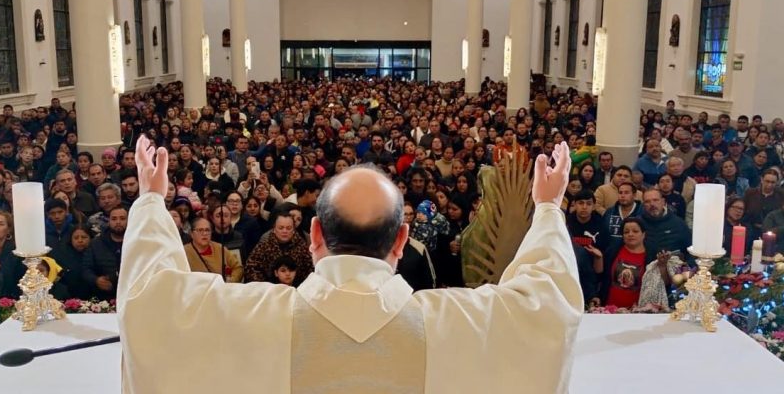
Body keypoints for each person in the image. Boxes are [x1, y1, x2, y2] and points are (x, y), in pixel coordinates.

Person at [117, 136, 581, 393]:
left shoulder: (251, 317)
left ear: (314, 235)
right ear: (402, 240)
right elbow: (547, 307)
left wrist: (152, 199)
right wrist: (546, 208)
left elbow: (149, 302)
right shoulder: (456, 323)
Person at [598, 218, 671, 308]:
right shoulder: (613, 251)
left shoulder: (652, 256)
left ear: (643, 234)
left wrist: (662, 266)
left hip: (639, 311)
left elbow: (664, 284)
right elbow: (602, 276)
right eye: (626, 232)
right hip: (610, 309)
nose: (630, 234)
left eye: (635, 231)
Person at [184, 218, 243, 283]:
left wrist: (231, 280)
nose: (204, 233)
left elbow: (238, 268)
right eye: (200, 230)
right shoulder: (184, 252)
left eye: (207, 230)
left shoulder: (219, 248)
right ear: (191, 233)